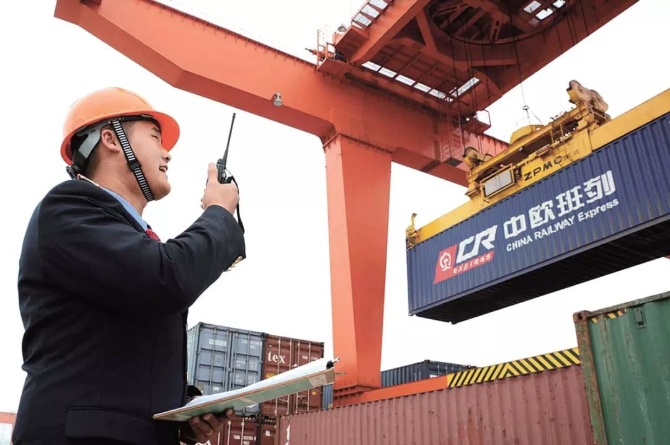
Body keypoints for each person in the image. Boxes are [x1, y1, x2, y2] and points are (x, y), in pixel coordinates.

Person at [13, 87, 246, 445]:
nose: (167, 152)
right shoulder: (67, 209)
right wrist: (218, 214)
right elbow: (167, 279)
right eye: (155, 137)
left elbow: (115, 354)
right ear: (111, 139)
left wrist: (181, 413)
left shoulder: (124, 235)